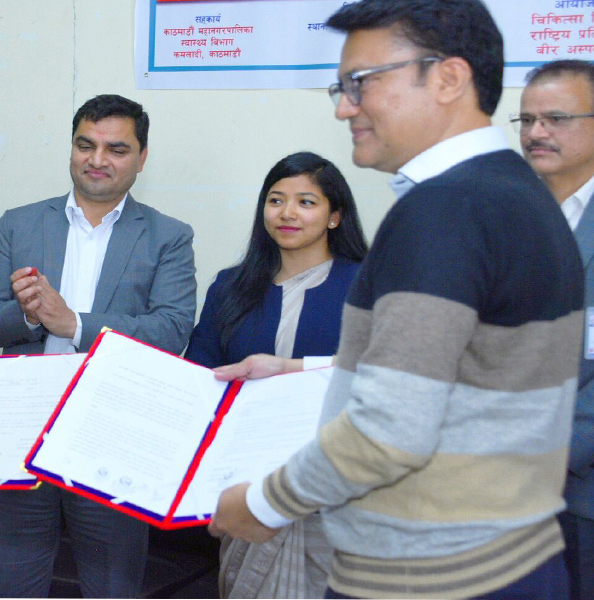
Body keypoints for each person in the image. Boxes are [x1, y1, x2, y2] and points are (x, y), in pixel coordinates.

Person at [206, 1, 585, 598]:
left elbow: (390, 429)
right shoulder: (519, 192)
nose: (344, 107)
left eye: (362, 82)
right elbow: (454, 368)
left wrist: (262, 504)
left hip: (430, 576)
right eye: (341, 87)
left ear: (448, 78)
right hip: (511, 557)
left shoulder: (444, 209)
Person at [0, 93, 197, 598]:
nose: (97, 159)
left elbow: (172, 330)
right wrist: (29, 315)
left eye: (117, 149)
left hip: (114, 431)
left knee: (112, 582)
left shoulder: (168, 236)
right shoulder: (19, 222)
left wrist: (73, 324)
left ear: (142, 157)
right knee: (13, 578)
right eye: (85, 145)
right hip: (21, 429)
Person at [186, 151, 367, 598]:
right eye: (276, 200)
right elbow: (200, 376)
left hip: (337, 488)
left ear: (334, 216)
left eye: (306, 202)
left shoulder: (367, 286)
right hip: (246, 487)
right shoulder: (230, 286)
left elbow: (385, 376)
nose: (287, 213)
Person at [518, 59, 594, 600]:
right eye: (526, 120)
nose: (536, 132)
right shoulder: (509, 213)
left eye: (556, 119)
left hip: (581, 492)